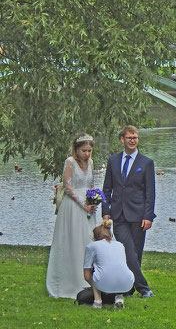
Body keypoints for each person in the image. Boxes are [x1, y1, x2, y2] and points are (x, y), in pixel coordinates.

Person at [102, 125, 156, 298]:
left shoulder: (146, 163)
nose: (133, 140)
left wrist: (148, 216)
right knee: (127, 250)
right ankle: (144, 288)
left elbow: (150, 192)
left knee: (136, 254)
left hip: (139, 216)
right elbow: (107, 188)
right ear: (122, 140)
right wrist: (106, 210)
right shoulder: (113, 160)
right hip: (118, 215)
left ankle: (129, 288)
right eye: (129, 138)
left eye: (135, 138)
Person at [46, 132, 97, 299]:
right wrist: (83, 204)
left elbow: (91, 184)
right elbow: (67, 186)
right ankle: (68, 282)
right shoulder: (69, 162)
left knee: (87, 240)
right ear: (76, 149)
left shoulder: (90, 163)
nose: (87, 154)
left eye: (89, 150)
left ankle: (87, 280)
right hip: (73, 207)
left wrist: (94, 199)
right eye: (84, 150)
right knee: (72, 241)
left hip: (88, 207)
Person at [83, 220, 135, 309]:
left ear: (94, 238)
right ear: (111, 235)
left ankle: (97, 301)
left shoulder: (91, 246)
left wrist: (96, 286)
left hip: (103, 281)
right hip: (128, 282)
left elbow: (87, 276)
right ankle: (119, 297)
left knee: (92, 269)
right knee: (117, 267)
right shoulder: (120, 245)